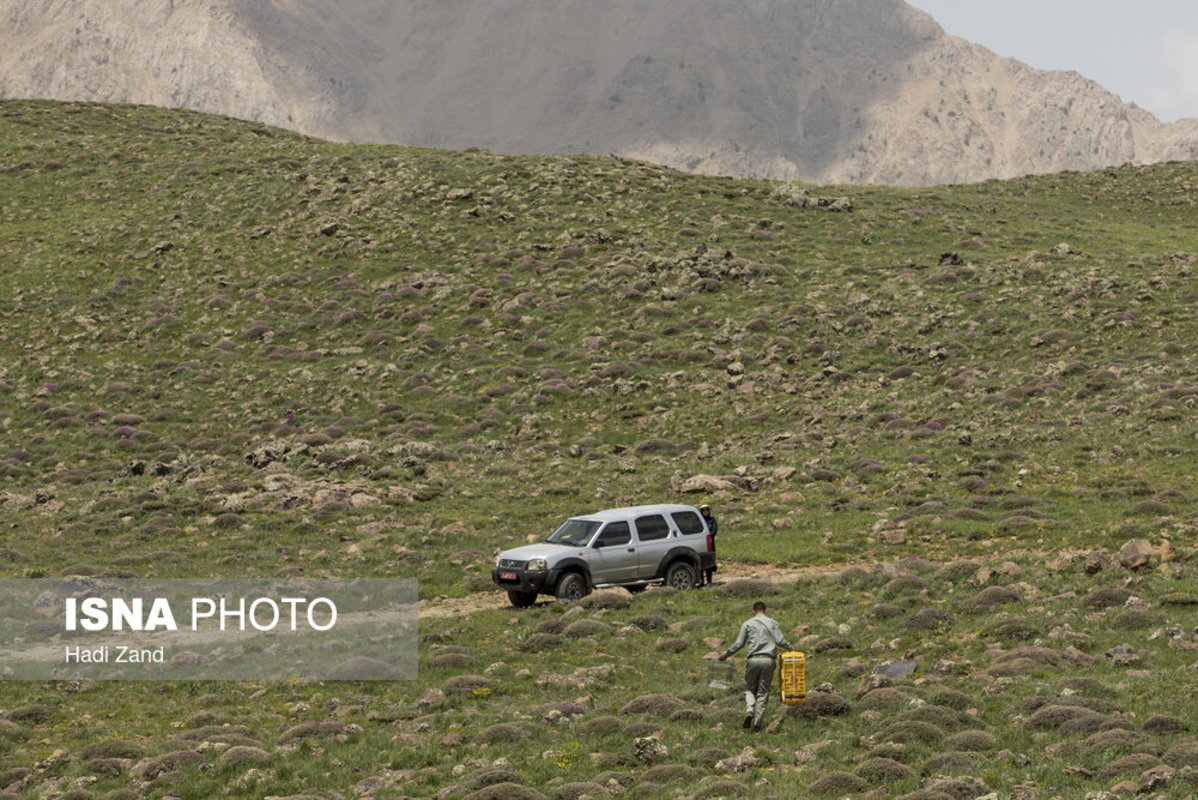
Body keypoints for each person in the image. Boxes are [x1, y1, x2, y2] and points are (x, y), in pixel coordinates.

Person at [718, 601, 793, 732]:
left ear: (753, 612)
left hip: (752, 660)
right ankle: (757, 724)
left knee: (750, 689)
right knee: (763, 692)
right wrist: (791, 648)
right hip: (768, 660)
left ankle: (749, 710)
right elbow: (780, 640)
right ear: (765, 610)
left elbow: (739, 644)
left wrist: (726, 654)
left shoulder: (747, 624)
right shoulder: (773, 623)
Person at [699, 504, 717, 587]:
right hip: (700, 544)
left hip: (710, 544)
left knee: (709, 563)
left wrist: (707, 536)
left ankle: (709, 581)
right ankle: (701, 582)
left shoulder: (712, 520)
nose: (705, 512)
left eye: (706, 510)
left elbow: (714, 531)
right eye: (703, 511)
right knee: (700, 563)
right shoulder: (699, 520)